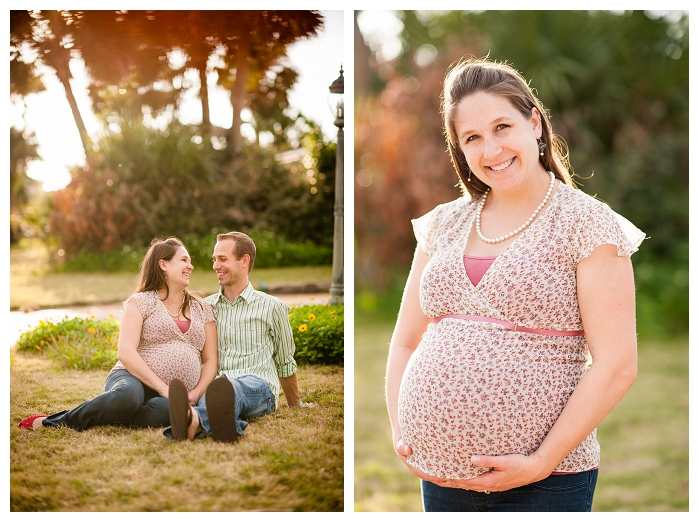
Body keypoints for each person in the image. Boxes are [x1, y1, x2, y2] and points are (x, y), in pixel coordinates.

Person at [385, 58, 645, 512]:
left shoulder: (586, 222)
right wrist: (403, 431)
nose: (491, 150)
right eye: (472, 138)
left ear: (535, 123)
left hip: (548, 481)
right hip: (441, 479)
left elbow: (617, 365)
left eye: (502, 126)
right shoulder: (444, 223)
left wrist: (541, 462)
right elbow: (406, 341)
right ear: (460, 150)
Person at [18, 237, 218, 432]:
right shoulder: (141, 302)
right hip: (132, 378)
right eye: (184, 260)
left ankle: (115, 416)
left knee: (174, 410)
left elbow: (210, 361)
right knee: (127, 397)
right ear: (163, 264)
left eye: (190, 261)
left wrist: (196, 393)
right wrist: (161, 387)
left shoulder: (202, 308)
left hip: (177, 393)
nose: (190, 266)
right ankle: (58, 421)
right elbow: (126, 352)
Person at [164, 231, 302, 443]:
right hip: (214, 387)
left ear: (244, 261)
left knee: (230, 388)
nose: (215, 265)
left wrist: (296, 404)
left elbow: (285, 361)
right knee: (218, 390)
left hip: (259, 387)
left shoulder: (272, 307)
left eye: (222, 259)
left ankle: (193, 420)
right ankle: (210, 424)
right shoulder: (205, 307)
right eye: (214, 259)